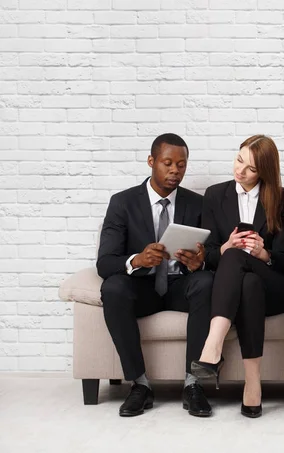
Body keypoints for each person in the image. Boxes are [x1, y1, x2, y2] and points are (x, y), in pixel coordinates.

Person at [97, 133, 214, 418]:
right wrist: (138, 259)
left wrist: (199, 261)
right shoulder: (122, 203)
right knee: (113, 288)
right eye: (168, 163)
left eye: (182, 165)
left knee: (206, 282)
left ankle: (193, 383)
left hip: (179, 285)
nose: (175, 170)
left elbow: (211, 252)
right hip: (142, 288)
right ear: (151, 161)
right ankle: (139, 385)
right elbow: (105, 262)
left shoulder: (198, 204)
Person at [191, 135, 284, 418]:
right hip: (239, 287)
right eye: (239, 160)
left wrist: (264, 253)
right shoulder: (215, 195)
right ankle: (253, 383)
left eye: (250, 168)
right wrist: (225, 246)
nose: (241, 171)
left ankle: (212, 347)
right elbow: (209, 254)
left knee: (241, 262)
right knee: (241, 272)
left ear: (264, 171)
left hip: (273, 284)